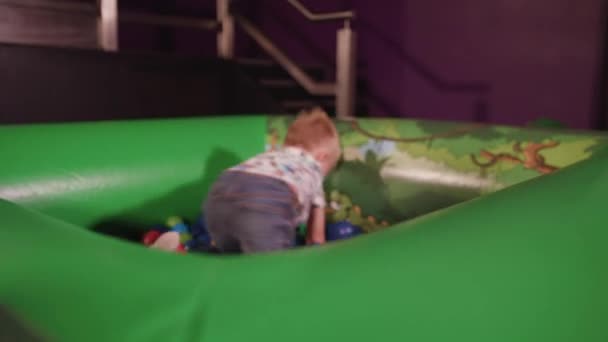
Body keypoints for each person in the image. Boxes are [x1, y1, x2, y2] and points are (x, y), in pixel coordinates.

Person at [203, 107, 341, 254]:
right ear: (322, 157)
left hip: (220, 192)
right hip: (266, 199)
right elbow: (316, 239)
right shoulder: (314, 169)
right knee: (272, 266)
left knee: (231, 255)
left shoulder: (271, 156)